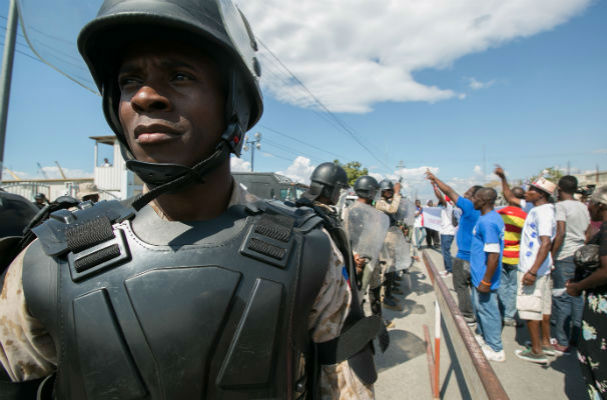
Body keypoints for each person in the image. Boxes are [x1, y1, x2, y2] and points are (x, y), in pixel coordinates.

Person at [0, 1, 376, 398]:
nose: (145, 97)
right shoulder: (54, 258)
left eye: (179, 75)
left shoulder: (308, 252)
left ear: (235, 106)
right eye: (129, 81)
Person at [566, 185, 607, 400]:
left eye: (591, 202)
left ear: (600, 205)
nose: (588, 207)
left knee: (603, 359)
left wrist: (578, 287)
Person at [426, 170, 481, 324]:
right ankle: (479, 315)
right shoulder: (484, 212)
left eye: (469, 193)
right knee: (477, 288)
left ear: (477, 197)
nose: (465, 194)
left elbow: (449, 191)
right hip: (479, 257)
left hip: (465, 257)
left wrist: (435, 179)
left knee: (461, 287)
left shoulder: (470, 207)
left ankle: (468, 315)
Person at [514, 177, 557, 364]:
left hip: (533, 269)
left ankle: (536, 350)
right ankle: (545, 342)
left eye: (530, 190)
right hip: (541, 268)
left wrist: (532, 271)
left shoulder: (543, 213)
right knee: (543, 306)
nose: (526, 192)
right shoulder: (538, 209)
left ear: (540, 194)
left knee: (530, 307)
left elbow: (546, 242)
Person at [550, 175, 590, 354]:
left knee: (562, 296)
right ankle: (578, 337)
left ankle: (562, 341)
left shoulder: (560, 206)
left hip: (564, 255)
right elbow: (589, 231)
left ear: (559, 189)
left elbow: (560, 233)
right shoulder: (583, 206)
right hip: (580, 255)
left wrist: (551, 255)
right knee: (577, 297)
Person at [345, 175, 391, 327]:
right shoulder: (354, 211)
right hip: (360, 260)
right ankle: (356, 326)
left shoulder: (371, 209)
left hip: (372, 256)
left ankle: (377, 320)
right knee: (358, 294)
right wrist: (354, 256)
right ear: (369, 192)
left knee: (375, 289)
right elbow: (347, 236)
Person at [470, 188, 505, 362]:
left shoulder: (488, 222)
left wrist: (486, 280)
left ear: (484, 201)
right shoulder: (486, 218)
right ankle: (484, 337)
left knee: (488, 311)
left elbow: (493, 255)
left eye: (475, 198)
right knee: (481, 310)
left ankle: (496, 348)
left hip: (485, 277)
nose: (472, 200)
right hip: (479, 274)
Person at [493, 168, 528, 328]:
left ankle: (501, 312)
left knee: (501, 284)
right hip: (516, 257)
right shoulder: (525, 216)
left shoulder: (499, 213)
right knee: (513, 287)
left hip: (501, 255)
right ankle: (509, 316)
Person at [375, 179, 405, 311]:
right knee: (388, 265)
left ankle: (390, 290)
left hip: (391, 234)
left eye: (390, 191)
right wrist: (397, 193)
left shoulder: (387, 201)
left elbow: (398, 212)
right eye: (387, 191)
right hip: (385, 236)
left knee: (393, 264)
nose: (389, 193)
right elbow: (392, 209)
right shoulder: (379, 202)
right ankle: (384, 295)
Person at [432, 185, 456, 277]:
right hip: (444, 232)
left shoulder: (448, 206)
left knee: (446, 252)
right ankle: (447, 269)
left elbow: (439, 197)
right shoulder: (445, 207)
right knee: (444, 252)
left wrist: (435, 187)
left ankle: (449, 271)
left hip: (448, 233)